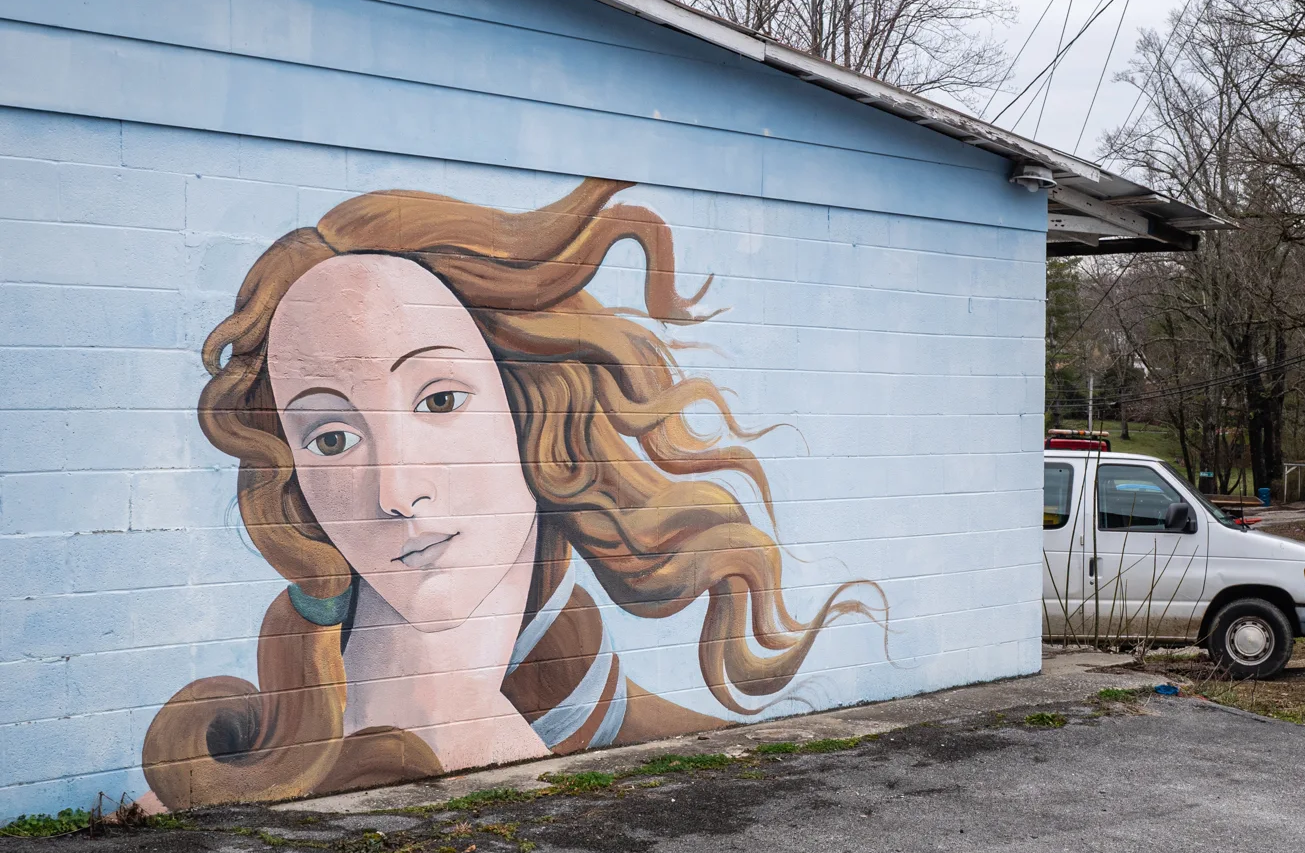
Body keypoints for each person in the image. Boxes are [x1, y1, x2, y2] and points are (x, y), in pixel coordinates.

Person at [142, 178, 878, 810]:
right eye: (331, 438)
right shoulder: (240, 773)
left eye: (438, 401)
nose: (397, 492)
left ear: (531, 404)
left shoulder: (589, 702)